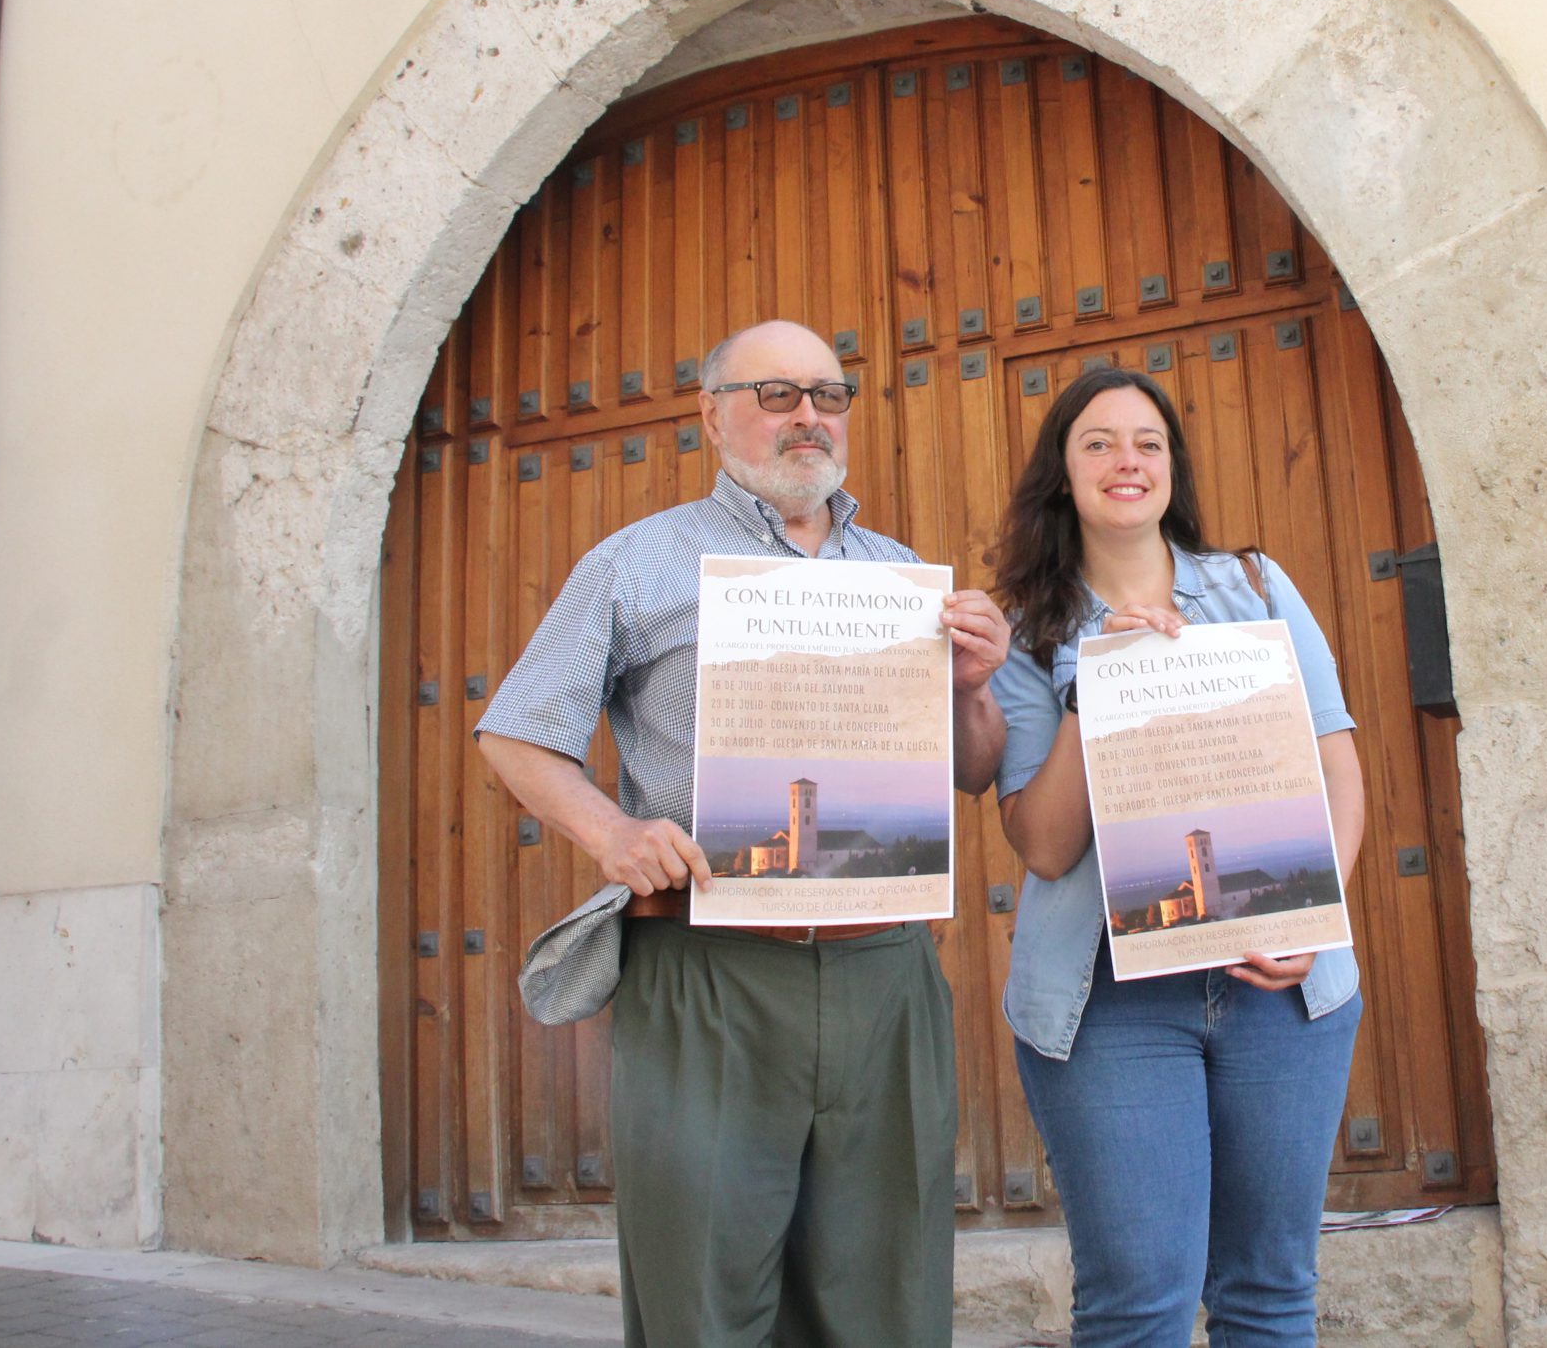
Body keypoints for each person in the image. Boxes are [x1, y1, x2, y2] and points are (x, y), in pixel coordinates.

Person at [473, 319, 1009, 1348]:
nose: (807, 416)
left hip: (883, 974)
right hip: (706, 968)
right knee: (702, 1304)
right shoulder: (637, 564)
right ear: (712, 415)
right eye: (776, 394)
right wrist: (613, 832)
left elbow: (974, 769)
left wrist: (973, 688)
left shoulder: (899, 574)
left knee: (885, 1303)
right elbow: (515, 734)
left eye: (828, 394)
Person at [986, 365, 1368, 1348]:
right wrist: (1096, 680)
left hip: (1279, 995)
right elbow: (1043, 842)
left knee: (1271, 1295)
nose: (1126, 461)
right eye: (1098, 443)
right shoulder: (1030, 631)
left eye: (1147, 442)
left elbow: (1338, 771)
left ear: (1172, 468)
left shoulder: (1253, 586)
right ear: (1061, 476)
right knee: (1134, 1306)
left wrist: (1312, 917)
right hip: (1110, 1004)